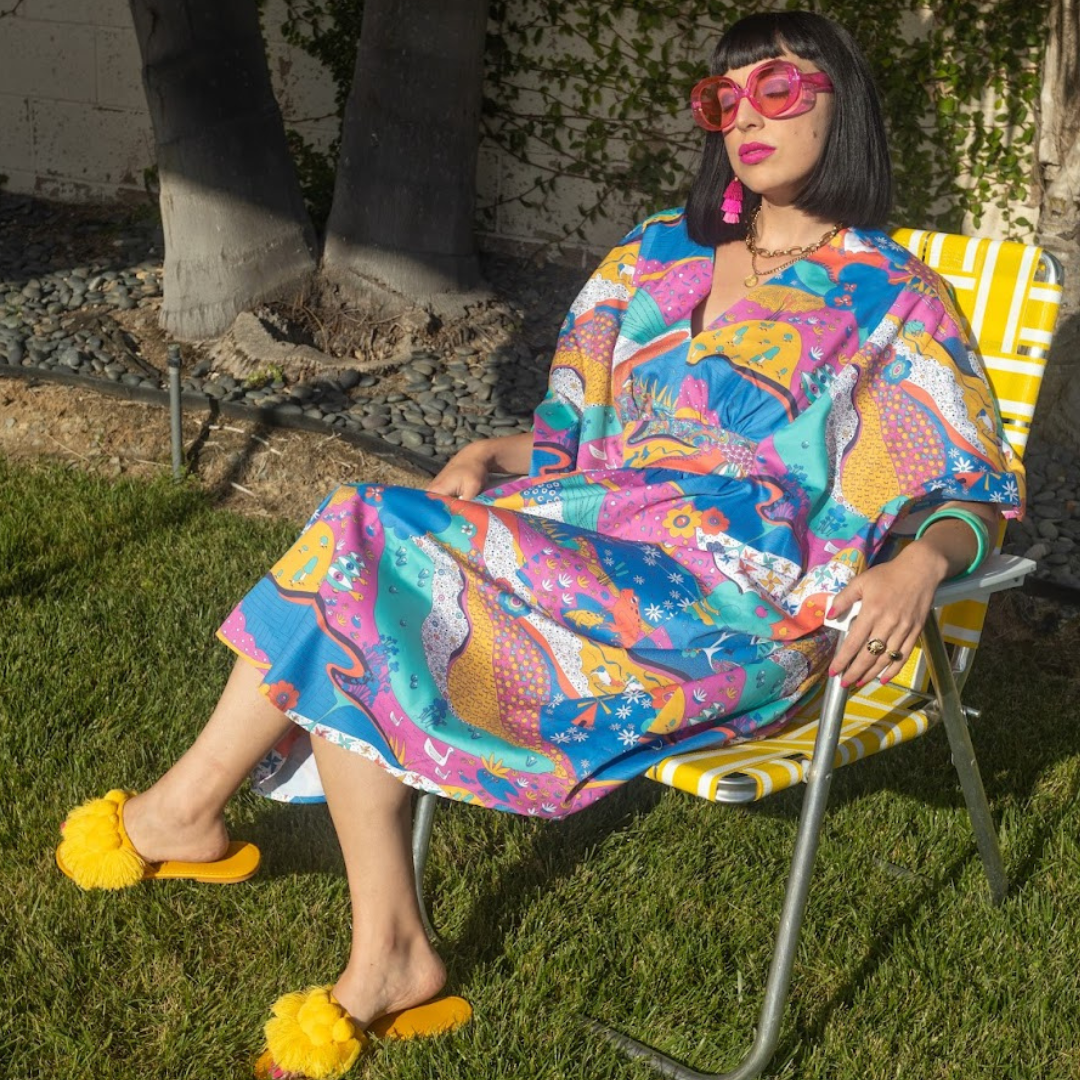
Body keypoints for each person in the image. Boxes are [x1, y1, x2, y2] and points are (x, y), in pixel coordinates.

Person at [56, 11, 1024, 1080]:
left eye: (781, 90)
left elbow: (969, 488)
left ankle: (197, 820)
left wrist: (919, 562)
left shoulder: (891, 297)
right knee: (371, 561)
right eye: (724, 98)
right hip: (589, 538)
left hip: (731, 604)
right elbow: (587, 441)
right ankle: (377, 947)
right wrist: (500, 447)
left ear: (842, 105)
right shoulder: (658, 252)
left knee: (367, 541)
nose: (747, 113)